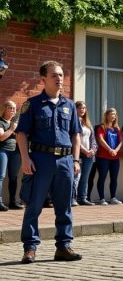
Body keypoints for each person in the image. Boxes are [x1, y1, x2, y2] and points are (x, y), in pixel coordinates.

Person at [15, 61, 82, 264]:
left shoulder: (69, 105)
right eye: (54, 75)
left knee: (64, 206)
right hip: (40, 160)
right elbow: (21, 133)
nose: (59, 78)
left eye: (61, 75)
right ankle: (30, 248)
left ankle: (63, 246)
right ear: (43, 79)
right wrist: (25, 158)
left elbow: (76, 135)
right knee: (34, 205)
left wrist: (76, 160)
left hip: (65, 161)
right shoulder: (33, 104)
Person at [95, 108, 123, 205]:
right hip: (103, 157)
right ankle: (101, 198)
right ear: (106, 115)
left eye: (115, 114)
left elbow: (121, 141)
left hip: (115, 157)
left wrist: (115, 150)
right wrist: (109, 149)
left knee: (114, 178)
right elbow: (101, 140)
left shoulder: (117, 128)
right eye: (111, 114)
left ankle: (113, 197)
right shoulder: (101, 127)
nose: (113, 116)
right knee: (102, 177)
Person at [0, 101, 23, 211]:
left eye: (15, 108)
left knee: (14, 177)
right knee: (1, 176)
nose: (13, 110)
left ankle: (13, 201)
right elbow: (1, 137)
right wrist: (11, 129)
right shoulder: (1, 122)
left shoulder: (16, 123)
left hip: (16, 152)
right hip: (3, 151)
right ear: (4, 108)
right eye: (11, 108)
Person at [73, 101, 97, 206]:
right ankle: (72, 198)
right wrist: (84, 151)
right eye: (80, 108)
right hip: (78, 154)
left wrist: (92, 150)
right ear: (75, 109)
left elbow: (93, 140)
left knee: (85, 177)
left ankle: (82, 198)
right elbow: (74, 139)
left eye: (84, 108)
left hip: (89, 155)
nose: (82, 110)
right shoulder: (73, 122)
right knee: (76, 177)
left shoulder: (87, 123)